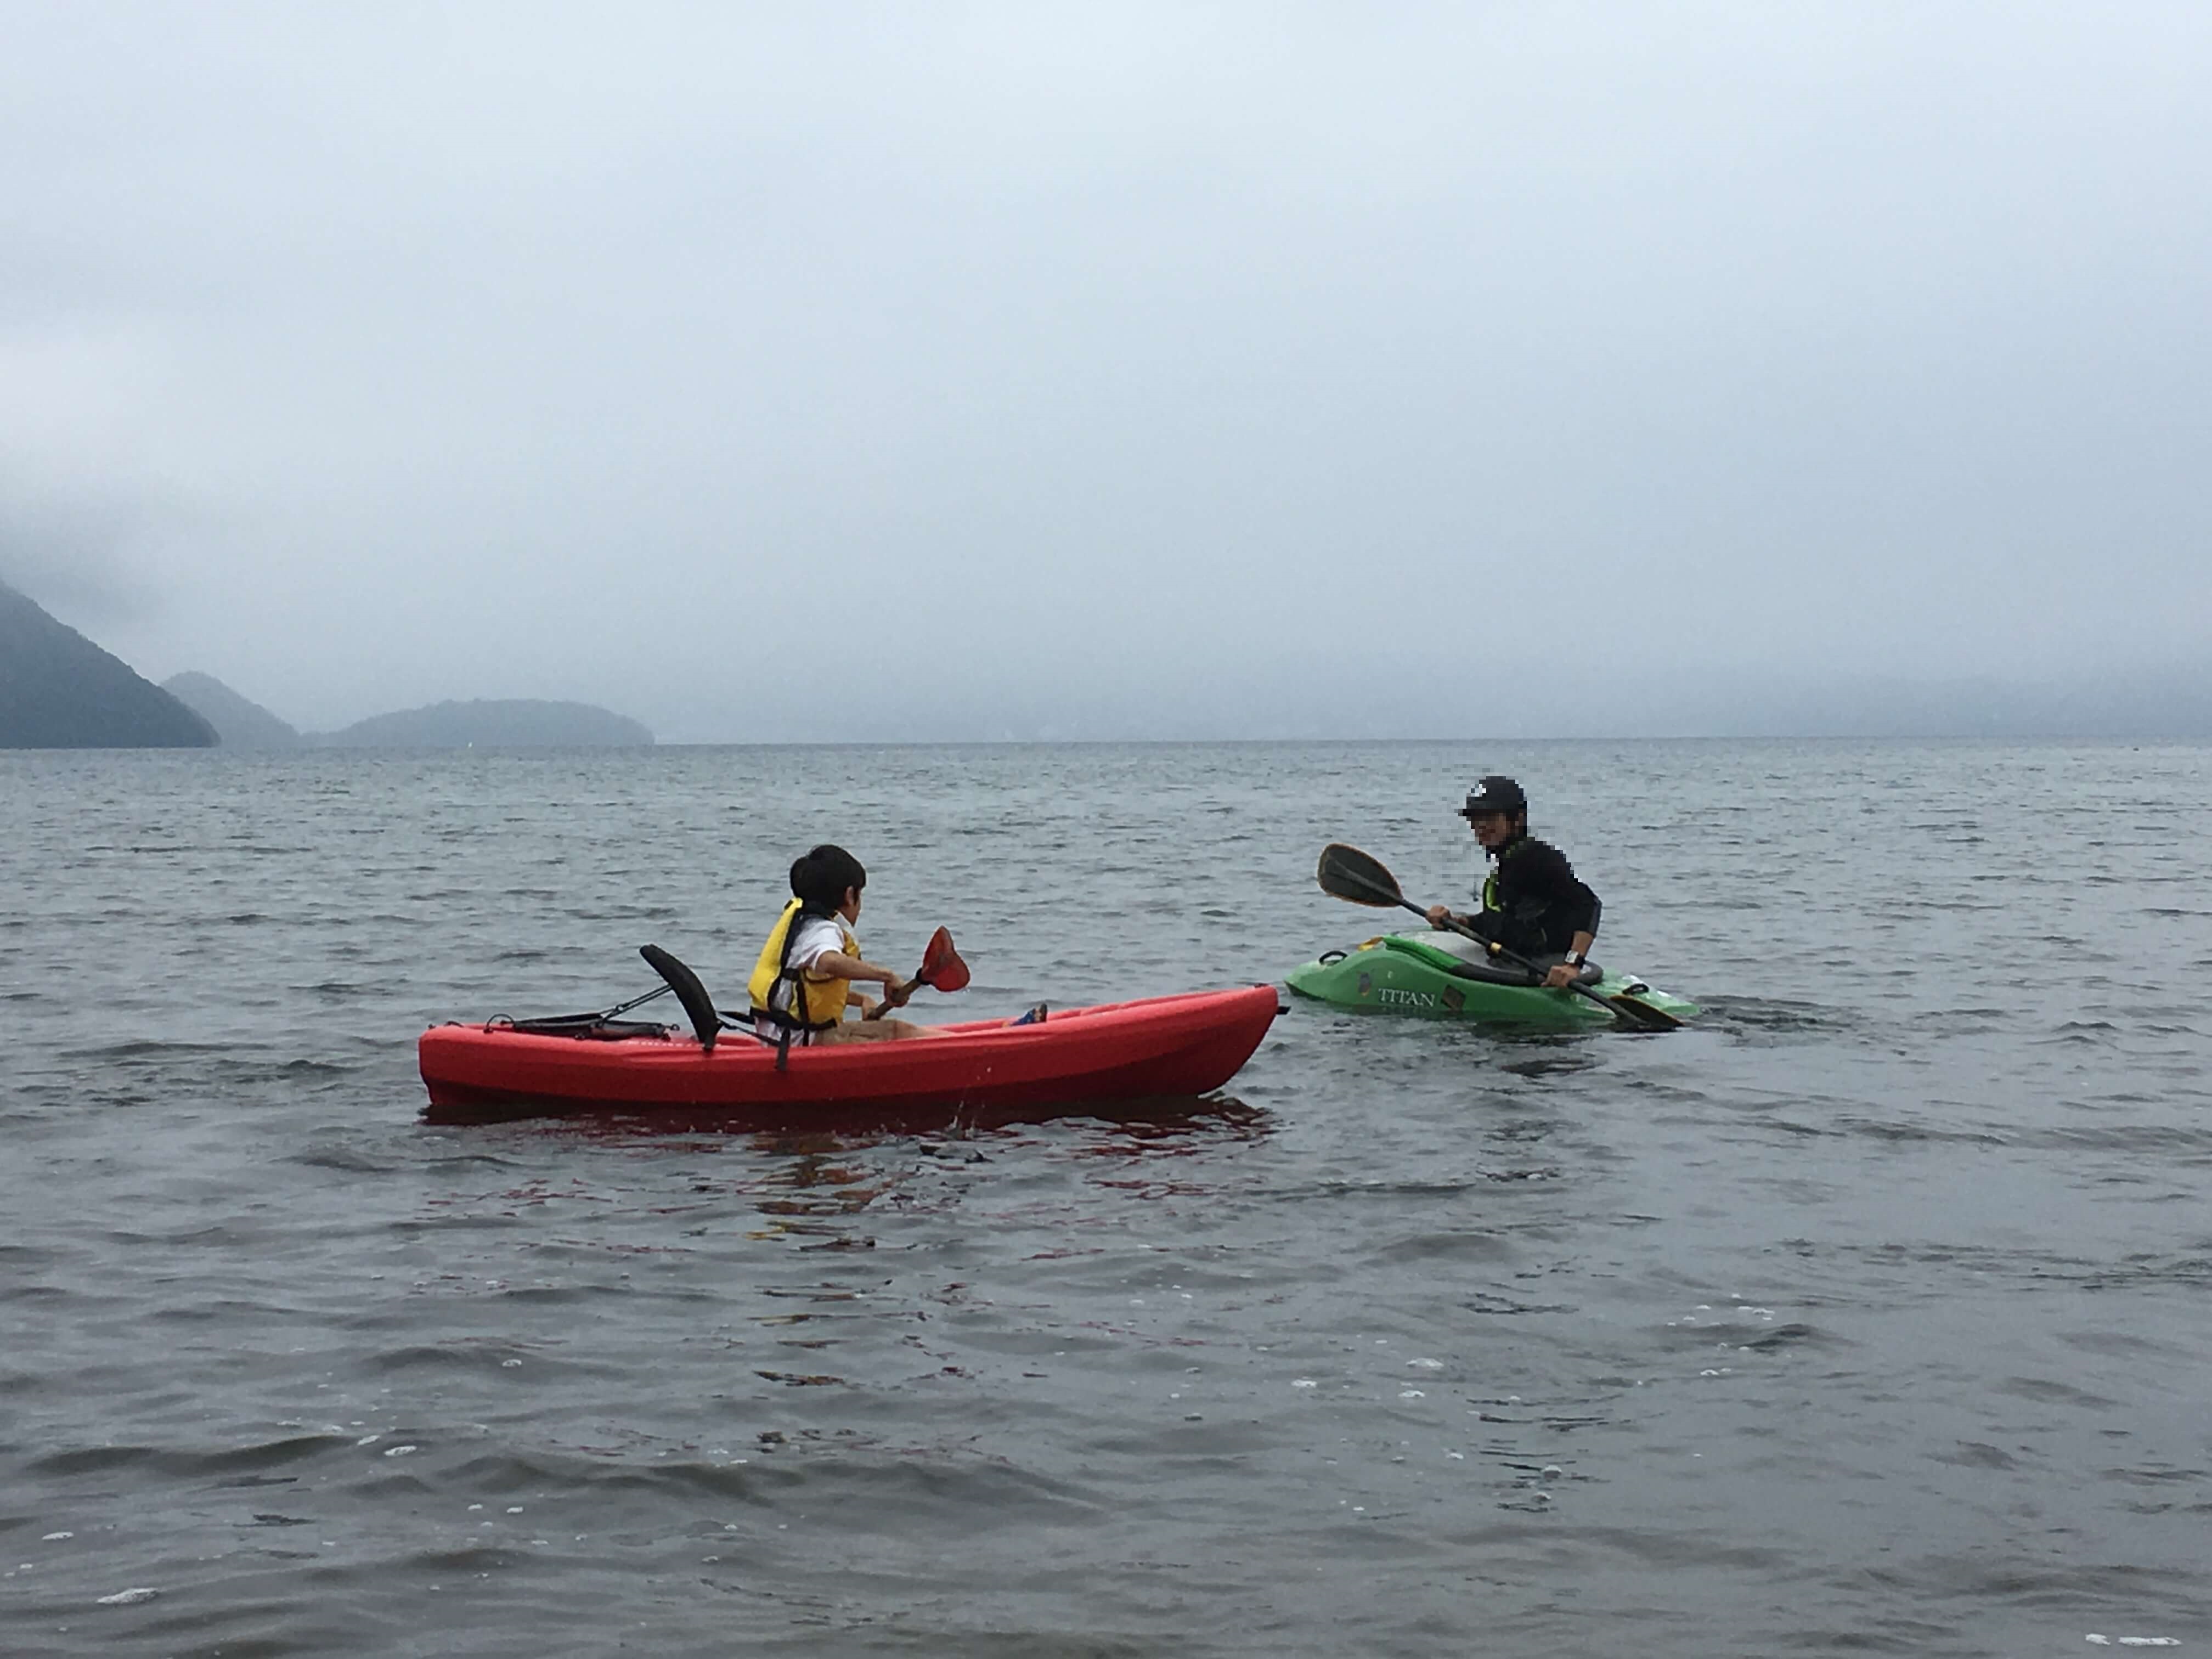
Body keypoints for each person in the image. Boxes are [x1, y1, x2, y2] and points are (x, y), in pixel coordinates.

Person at [747, 844, 942, 1048]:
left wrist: (862, 1000)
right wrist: (887, 976)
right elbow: (828, 961)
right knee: (896, 1032)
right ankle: (969, 1054)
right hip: (799, 1042)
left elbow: (801, 991)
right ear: (850, 895)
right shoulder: (822, 930)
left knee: (896, 1030)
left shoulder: (801, 920)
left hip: (780, 1035)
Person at [1423, 776, 1601, 990]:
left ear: (1517, 819)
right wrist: (1458, 922)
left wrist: (1572, 964)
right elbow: (1503, 922)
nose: (1481, 827)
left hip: (1541, 972)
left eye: (1490, 818)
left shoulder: (1539, 859)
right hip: (1511, 965)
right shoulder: (1508, 862)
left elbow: (1588, 904)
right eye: (1475, 819)